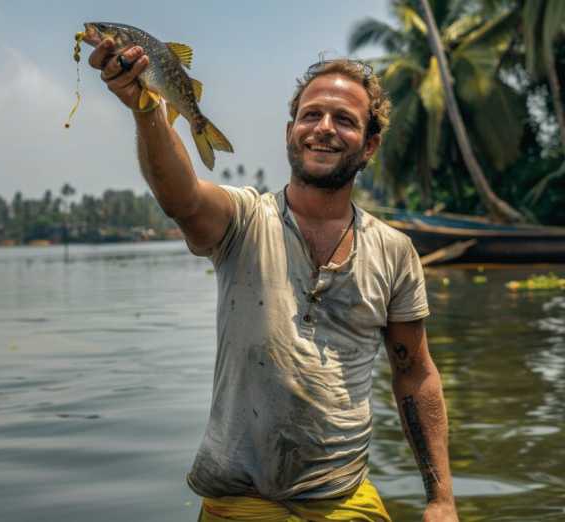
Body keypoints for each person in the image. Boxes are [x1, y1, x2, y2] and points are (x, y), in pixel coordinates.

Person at [88, 39, 459, 522]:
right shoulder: (244, 219)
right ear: (291, 132)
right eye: (311, 116)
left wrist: (441, 499)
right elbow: (182, 198)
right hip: (237, 503)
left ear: (369, 144)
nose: (324, 128)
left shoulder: (393, 251)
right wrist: (146, 110)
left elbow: (415, 373)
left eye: (344, 120)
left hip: (343, 502)